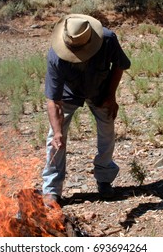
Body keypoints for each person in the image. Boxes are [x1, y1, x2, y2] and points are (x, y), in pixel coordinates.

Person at [42, 14, 131, 204]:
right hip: (70, 92)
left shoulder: (108, 40)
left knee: (107, 127)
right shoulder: (55, 57)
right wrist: (58, 132)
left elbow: (120, 65)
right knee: (54, 139)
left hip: (100, 89)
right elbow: (54, 101)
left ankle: (104, 178)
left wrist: (110, 96)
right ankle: (51, 189)